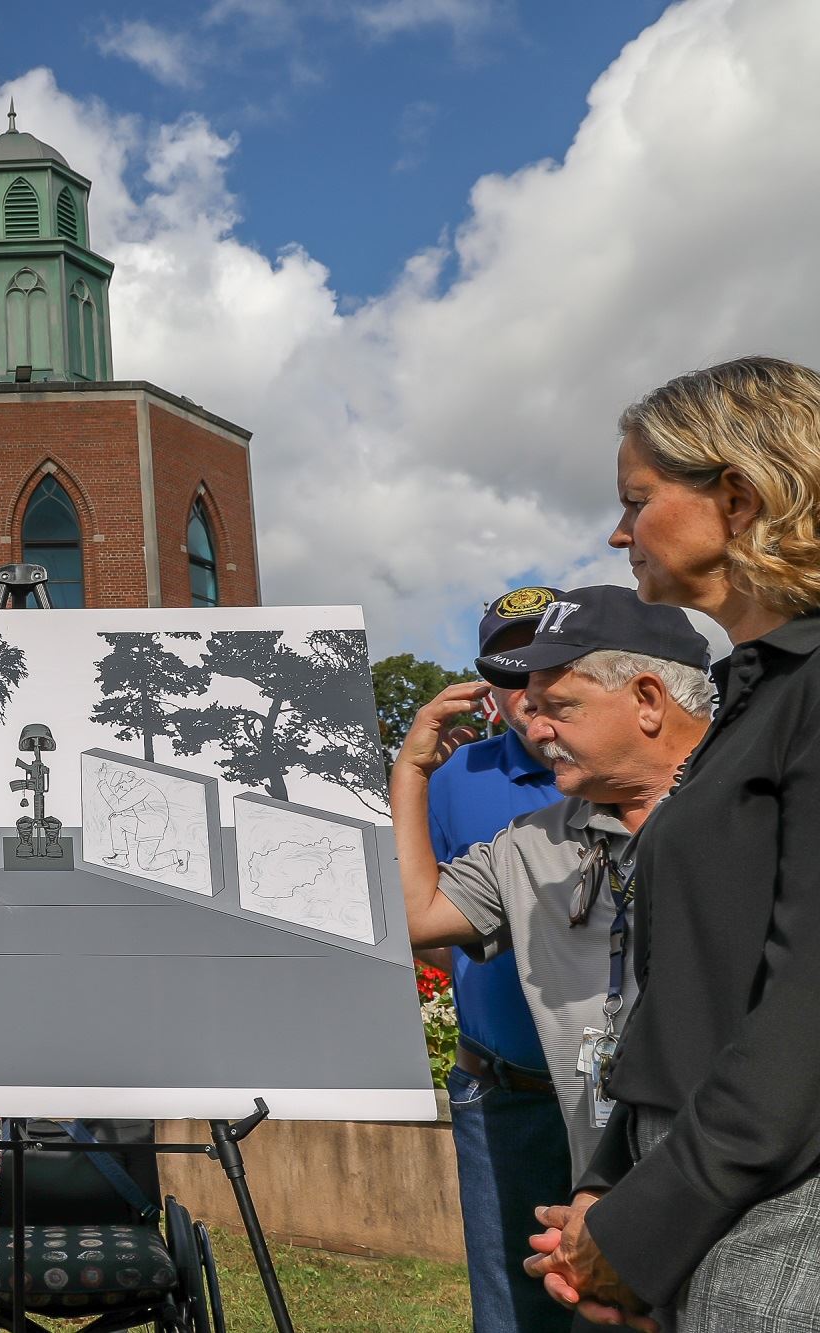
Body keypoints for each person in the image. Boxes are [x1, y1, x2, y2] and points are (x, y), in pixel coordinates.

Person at [526, 357, 820, 1331]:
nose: (616, 533)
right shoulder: (755, 694)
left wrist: (646, 1221)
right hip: (703, 1183)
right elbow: (691, 984)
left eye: (636, 500)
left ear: (734, 496)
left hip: (778, 1207)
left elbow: (802, 1011)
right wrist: (609, 1182)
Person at [394, 586, 711, 1171]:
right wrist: (410, 773)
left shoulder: (761, 811)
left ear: (647, 700)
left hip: (738, 1192)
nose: (535, 728)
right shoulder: (531, 838)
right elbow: (418, 916)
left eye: (557, 707)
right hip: (583, 1157)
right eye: (525, 700)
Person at [413, 585, 579, 1333]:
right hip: (505, 1097)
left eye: (548, 659)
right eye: (510, 671)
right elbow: (424, 918)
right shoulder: (456, 779)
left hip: (621, 1101)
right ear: (487, 686)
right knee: (512, 1311)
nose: (530, 685)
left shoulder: (624, 767)